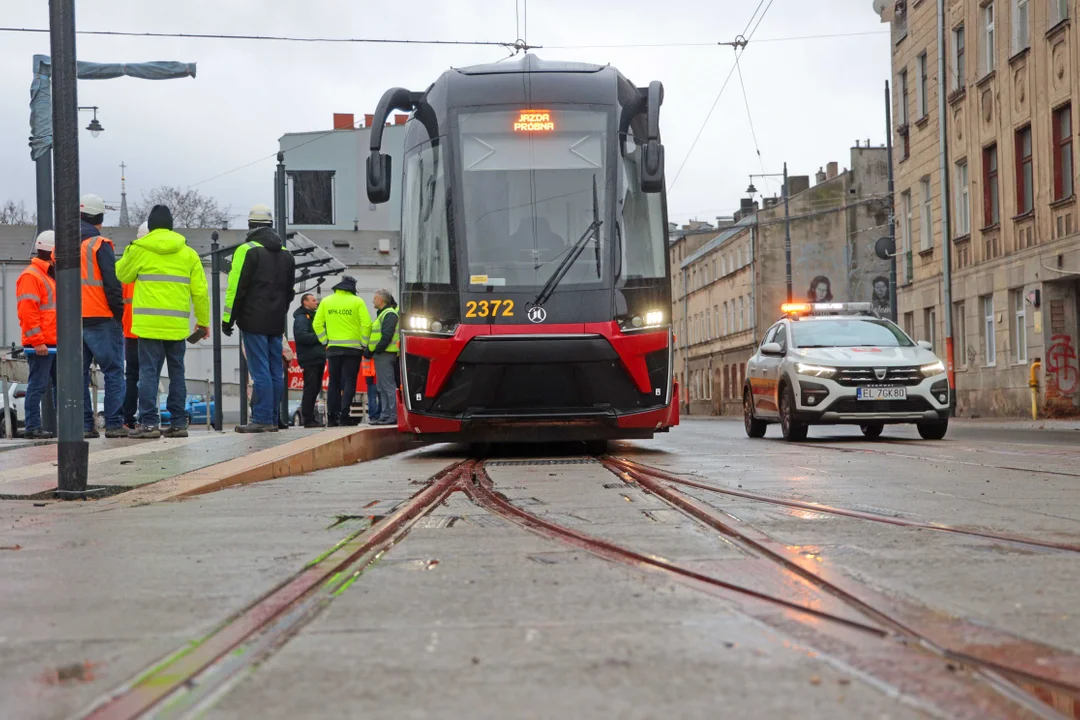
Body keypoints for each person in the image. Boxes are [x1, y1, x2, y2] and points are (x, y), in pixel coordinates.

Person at [115, 205, 210, 439]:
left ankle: (149, 424)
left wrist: (130, 251)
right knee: (177, 373)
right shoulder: (188, 253)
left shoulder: (139, 249)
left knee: (148, 373)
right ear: (171, 225)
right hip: (176, 326)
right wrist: (203, 322)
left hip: (148, 325)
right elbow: (200, 292)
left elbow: (121, 275)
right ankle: (178, 423)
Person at [223, 205, 296, 433]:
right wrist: (278, 312)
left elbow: (236, 288)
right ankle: (272, 418)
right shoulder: (286, 254)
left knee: (260, 370)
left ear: (250, 226)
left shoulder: (247, 250)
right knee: (276, 370)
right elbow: (290, 291)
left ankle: (262, 418)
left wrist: (228, 319)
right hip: (276, 322)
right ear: (271, 226)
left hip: (253, 320)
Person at [79, 194, 126, 439]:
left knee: (78, 374)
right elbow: (112, 284)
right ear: (99, 217)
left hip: (72, 321)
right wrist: (118, 314)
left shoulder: (61, 245)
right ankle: (114, 424)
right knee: (114, 371)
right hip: (101, 317)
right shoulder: (99, 244)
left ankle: (86, 425)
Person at [313, 276, 371, 427]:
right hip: (353, 349)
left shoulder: (326, 301)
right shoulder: (357, 301)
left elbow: (317, 324)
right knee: (349, 381)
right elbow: (366, 324)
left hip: (333, 348)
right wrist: (363, 343)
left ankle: (332, 416)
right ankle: (345, 415)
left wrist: (325, 341)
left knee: (334, 381)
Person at [16, 231, 57, 439]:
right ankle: (32, 427)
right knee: (38, 387)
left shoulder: (47, 275)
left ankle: (61, 425)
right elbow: (27, 312)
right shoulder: (32, 276)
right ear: (52, 251)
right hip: (42, 345)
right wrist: (38, 341)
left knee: (58, 387)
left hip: (53, 343)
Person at [121, 221, 149, 429]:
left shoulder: (128, 263)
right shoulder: (153, 263)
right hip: (150, 329)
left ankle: (128, 419)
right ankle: (147, 418)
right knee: (150, 374)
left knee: (131, 376)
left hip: (130, 330)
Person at [292, 293, 326, 427]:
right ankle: (308, 418)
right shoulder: (302, 318)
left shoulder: (312, 316)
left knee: (315, 388)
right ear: (305, 302)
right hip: (310, 358)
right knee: (310, 388)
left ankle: (310, 417)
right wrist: (322, 337)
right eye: (313, 300)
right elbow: (302, 336)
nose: (316, 302)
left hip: (317, 357)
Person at [368, 289, 400, 426]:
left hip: (385, 354)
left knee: (387, 386)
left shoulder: (389, 314)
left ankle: (392, 415)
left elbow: (386, 336)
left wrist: (375, 350)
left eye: (374, 298)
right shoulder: (385, 314)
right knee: (382, 386)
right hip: (383, 354)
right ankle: (385, 415)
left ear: (381, 300)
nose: (373, 301)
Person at [361, 355, 379, 423]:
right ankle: (379, 416)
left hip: (372, 376)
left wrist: (368, 375)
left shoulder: (367, 352)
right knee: (381, 398)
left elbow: (366, 364)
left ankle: (373, 416)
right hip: (379, 376)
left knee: (372, 397)